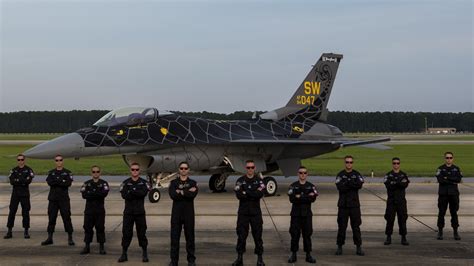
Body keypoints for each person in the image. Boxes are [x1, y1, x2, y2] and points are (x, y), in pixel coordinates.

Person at [232, 160, 266, 266]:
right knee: (241, 236)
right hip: (243, 213)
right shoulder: (240, 180)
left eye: (252, 167)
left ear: (254, 168)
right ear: (245, 169)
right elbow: (239, 195)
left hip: (255, 213)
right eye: (248, 167)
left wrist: (246, 192)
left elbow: (260, 194)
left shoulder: (259, 181)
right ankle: (239, 258)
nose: (250, 169)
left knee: (258, 236)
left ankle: (260, 259)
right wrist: (252, 193)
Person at [118, 163, 151, 263]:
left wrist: (131, 191)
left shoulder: (144, 182)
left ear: (139, 171)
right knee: (126, 233)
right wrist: (136, 192)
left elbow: (143, 194)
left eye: (137, 170)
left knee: (142, 233)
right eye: (133, 169)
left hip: (140, 213)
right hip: (128, 213)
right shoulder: (125, 183)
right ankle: (124, 253)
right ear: (130, 170)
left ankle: (145, 253)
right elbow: (124, 196)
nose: (135, 171)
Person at [168, 162, 198, 266]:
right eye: (181, 168)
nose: (183, 170)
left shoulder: (193, 182)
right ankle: (174, 261)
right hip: (176, 215)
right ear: (179, 169)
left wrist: (180, 192)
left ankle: (191, 261)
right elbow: (173, 195)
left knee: (190, 238)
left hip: (188, 215)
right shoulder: (173, 183)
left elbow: (192, 195)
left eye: (185, 168)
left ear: (188, 170)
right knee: (174, 239)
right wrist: (187, 192)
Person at [41, 155, 75, 246]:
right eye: (57, 160)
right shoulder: (51, 172)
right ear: (55, 162)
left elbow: (68, 183)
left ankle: (70, 237)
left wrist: (57, 181)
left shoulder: (68, 172)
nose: (59, 162)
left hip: (64, 200)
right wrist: (61, 181)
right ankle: (50, 237)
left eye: (60, 160)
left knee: (66, 218)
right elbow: (50, 182)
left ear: (63, 161)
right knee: (51, 218)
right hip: (53, 200)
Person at [287, 166, 318, 264]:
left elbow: (312, 199)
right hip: (296, 215)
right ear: (298, 174)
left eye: (304, 173)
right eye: (300, 173)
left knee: (307, 235)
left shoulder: (311, 186)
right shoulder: (293, 186)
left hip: (307, 215)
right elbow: (292, 199)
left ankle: (308, 255)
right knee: (294, 235)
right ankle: (293, 254)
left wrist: (300, 197)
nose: (302, 175)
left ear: (307, 174)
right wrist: (306, 196)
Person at [335, 155, 364, 256]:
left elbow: (359, 185)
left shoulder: (357, 174)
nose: (349, 164)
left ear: (353, 163)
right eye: (347, 162)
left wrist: (347, 183)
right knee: (342, 227)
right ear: (344, 163)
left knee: (356, 227)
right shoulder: (340, 174)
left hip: (354, 205)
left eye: (351, 162)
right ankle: (339, 246)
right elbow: (340, 188)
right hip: (343, 205)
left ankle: (358, 246)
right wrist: (352, 184)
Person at [80, 165, 110, 255]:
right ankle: (87, 246)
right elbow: (84, 195)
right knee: (87, 228)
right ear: (91, 173)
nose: (95, 173)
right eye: (93, 172)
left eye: (97, 171)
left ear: (100, 173)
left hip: (99, 211)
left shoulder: (104, 183)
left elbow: (104, 194)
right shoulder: (86, 183)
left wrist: (91, 193)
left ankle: (101, 247)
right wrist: (97, 193)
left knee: (100, 228)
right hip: (89, 211)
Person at [4, 154, 34, 239]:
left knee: (25, 213)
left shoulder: (29, 170)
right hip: (15, 195)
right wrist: (22, 181)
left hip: (24, 195)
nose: (20, 161)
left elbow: (28, 181)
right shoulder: (14, 170)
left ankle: (26, 231)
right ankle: (9, 231)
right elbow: (12, 181)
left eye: (21, 159)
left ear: (24, 160)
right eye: (18, 160)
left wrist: (18, 180)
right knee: (12, 212)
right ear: (17, 161)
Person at [436, 152, 463, 240]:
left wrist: (447, 178)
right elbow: (440, 180)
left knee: (454, 213)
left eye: (450, 158)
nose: (449, 159)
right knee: (441, 213)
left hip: (453, 194)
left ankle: (455, 232)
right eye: (447, 158)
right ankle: (440, 232)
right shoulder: (440, 168)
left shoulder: (456, 168)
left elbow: (458, 179)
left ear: (453, 158)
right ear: (444, 159)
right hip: (443, 194)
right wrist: (452, 180)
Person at [383, 157, 409, 246]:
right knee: (389, 219)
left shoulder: (403, 174)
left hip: (401, 201)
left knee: (402, 219)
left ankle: (403, 237)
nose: (396, 165)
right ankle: (388, 237)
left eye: (397, 163)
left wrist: (394, 183)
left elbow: (404, 184)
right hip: (391, 201)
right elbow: (388, 186)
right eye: (394, 163)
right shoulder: (388, 175)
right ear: (392, 164)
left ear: (399, 164)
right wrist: (398, 183)